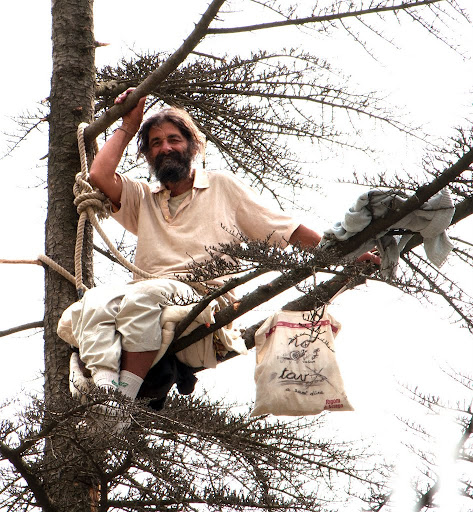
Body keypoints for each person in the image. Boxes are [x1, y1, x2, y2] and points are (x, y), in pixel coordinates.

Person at [66, 89, 380, 421]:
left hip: (203, 302)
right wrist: (128, 126)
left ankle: (120, 407)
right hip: (146, 306)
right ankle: (104, 393)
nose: (165, 148)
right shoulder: (143, 198)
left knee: (142, 296)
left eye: (173, 139)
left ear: (192, 145)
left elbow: (289, 230)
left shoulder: (221, 188)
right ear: (148, 155)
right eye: (156, 143)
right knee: (88, 306)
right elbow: (99, 176)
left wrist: (346, 260)